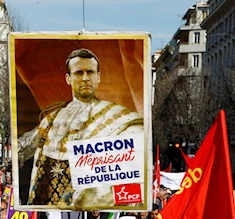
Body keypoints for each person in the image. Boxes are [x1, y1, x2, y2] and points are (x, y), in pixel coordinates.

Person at [17, 48, 143, 208]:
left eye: (90, 72)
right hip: (44, 208)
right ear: (68, 78)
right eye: (78, 73)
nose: (85, 78)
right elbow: (22, 149)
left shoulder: (119, 118)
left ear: (98, 77)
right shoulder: (51, 119)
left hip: (85, 205)